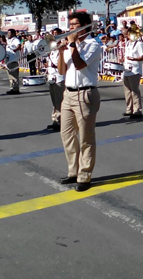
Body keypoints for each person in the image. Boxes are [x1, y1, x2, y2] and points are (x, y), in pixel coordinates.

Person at [57, 12, 102, 192]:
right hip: (68, 93)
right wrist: (61, 51)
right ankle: (72, 171)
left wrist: (73, 44)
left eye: (75, 25)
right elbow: (62, 70)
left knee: (86, 137)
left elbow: (80, 65)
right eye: (71, 25)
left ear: (85, 27)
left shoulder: (94, 45)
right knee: (66, 135)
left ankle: (85, 175)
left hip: (85, 94)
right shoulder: (69, 46)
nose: (71, 28)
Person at [123, 29, 143, 118]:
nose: (128, 36)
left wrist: (134, 59)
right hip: (126, 70)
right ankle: (129, 109)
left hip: (135, 70)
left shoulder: (139, 44)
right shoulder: (128, 43)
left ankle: (137, 110)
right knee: (127, 92)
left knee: (134, 91)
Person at [46, 28, 65, 131]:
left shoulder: (62, 48)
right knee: (54, 101)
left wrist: (60, 48)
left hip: (59, 76)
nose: (54, 37)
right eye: (53, 35)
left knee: (59, 100)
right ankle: (55, 120)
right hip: (51, 76)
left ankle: (61, 121)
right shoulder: (52, 49)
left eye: (56, 34)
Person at [5, 29, 21, 95]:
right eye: (8, 33)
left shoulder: (15, 40)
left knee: (14, 75)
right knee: (10, 76)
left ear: (13, 34)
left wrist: (15, 50)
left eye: (9, 33)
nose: (8, 34)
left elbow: (19, 46)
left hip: (13, 60)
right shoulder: (9, 41)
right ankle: (12, 88)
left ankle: (16, 89)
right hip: (8, 61)